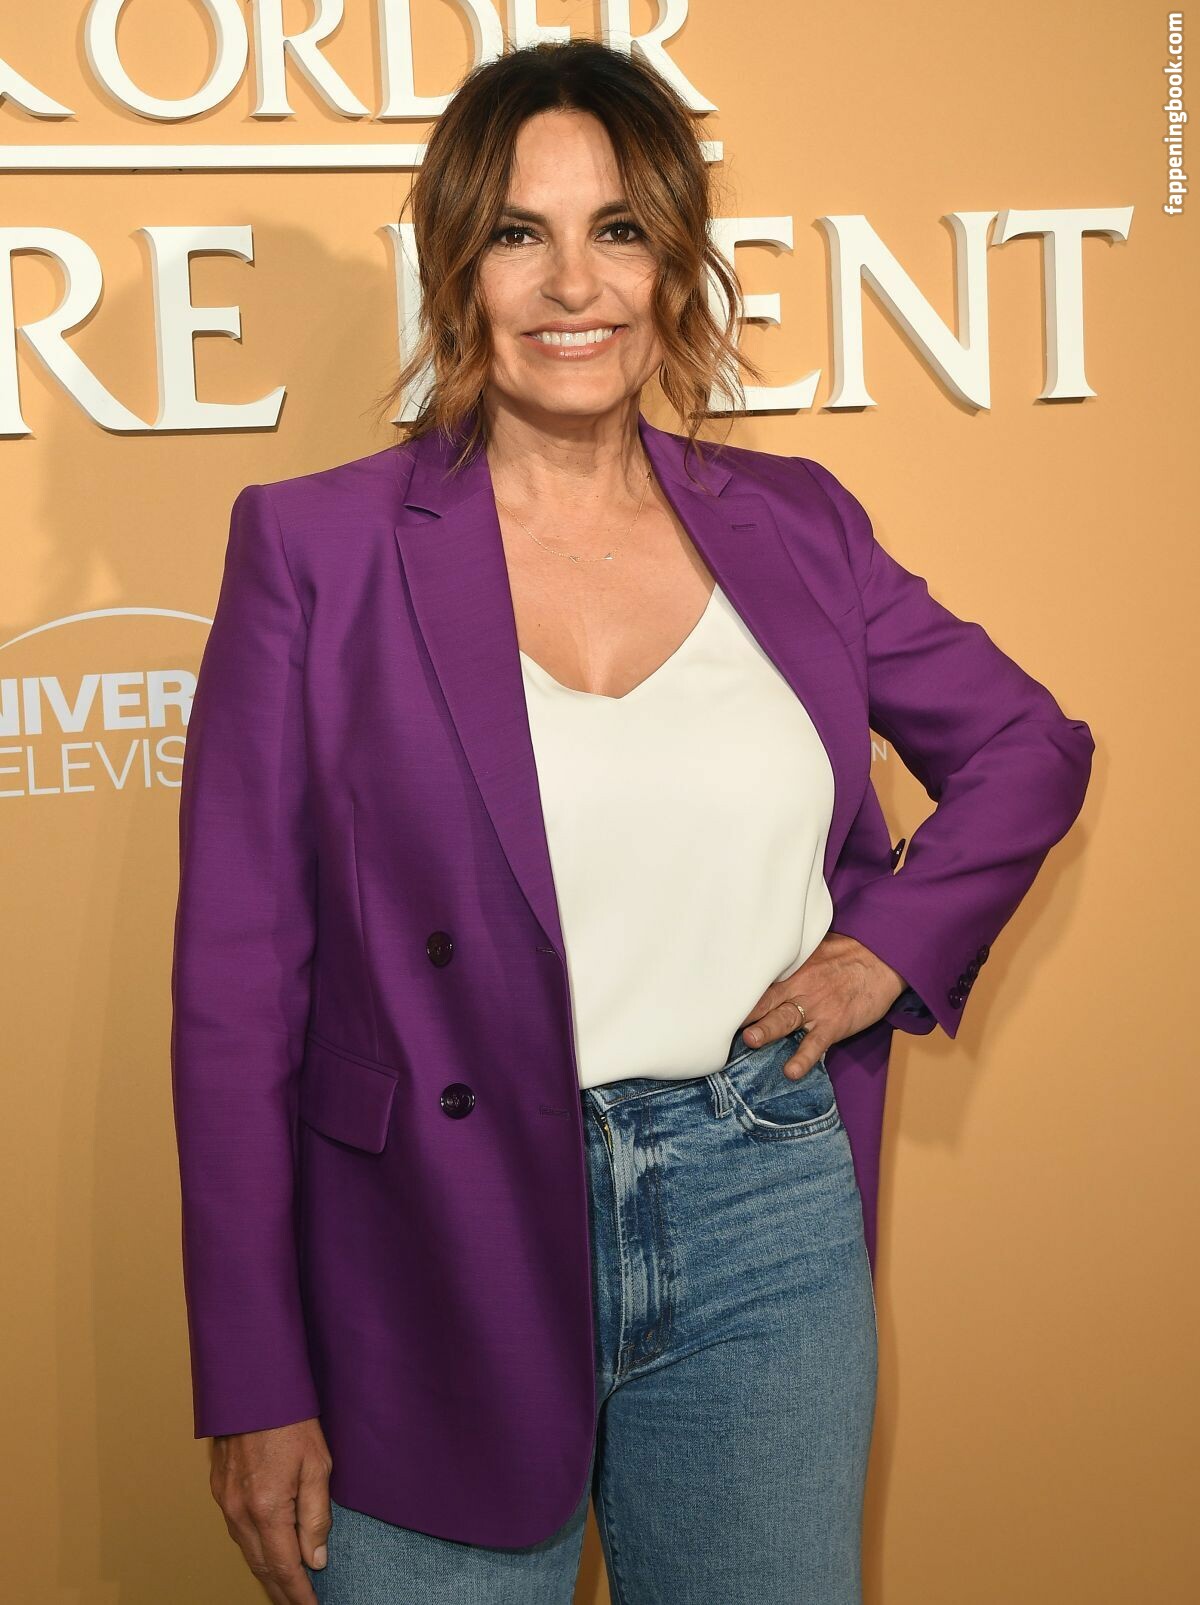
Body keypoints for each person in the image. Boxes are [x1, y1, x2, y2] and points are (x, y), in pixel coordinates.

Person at [169, 38, 1095, 1605]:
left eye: (618, 230)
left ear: (673, 261)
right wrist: (254, 1376)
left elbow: (1028, 744)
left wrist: (884, 946)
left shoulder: (797, 525)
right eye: (516, 233)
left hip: (762, 1206)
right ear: (455, 267)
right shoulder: (316, 549)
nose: (570, 285)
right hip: (430, 1236)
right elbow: (237, 994)